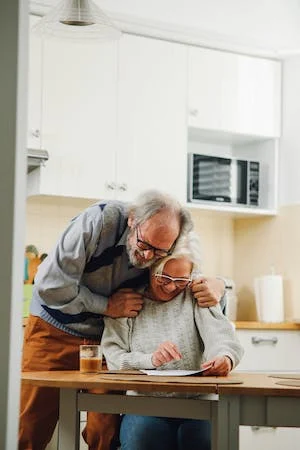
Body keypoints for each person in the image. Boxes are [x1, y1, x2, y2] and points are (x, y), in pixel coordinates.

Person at [19, 190, 227, 450]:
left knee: (104, 430)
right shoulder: (97, 222)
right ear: (132, 220)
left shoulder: (172, 237)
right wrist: (106, 305)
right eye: (144, 245)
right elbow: (50, 285)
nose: (149, 258)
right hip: (55, 327)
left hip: (107, 338)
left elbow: (190, 272)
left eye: (160, 252)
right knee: (29, 424)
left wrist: (220, 285)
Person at [102, 232, 244, 450]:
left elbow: (223, 338)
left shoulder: (196, 294)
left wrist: (225, 358)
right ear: (150, 267)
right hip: (145, 404)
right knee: (143, 439)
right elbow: (114, 358)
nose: (170, 287)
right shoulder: (127, 301)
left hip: (199, 403)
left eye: (180, 280)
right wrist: (151, 359)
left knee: (204, 440)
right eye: (163, 278)